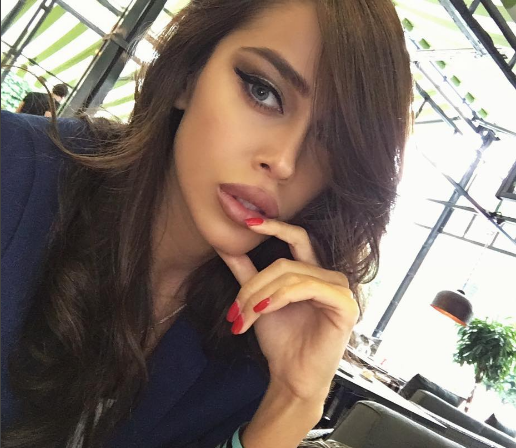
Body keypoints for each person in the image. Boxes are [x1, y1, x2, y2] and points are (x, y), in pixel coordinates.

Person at [1, 1, 412, 447]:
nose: (283, 162)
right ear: (187, 74)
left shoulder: (265, 345)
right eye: (263, 92)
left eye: (332, 139)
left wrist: (293, 403)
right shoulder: (14, 168)